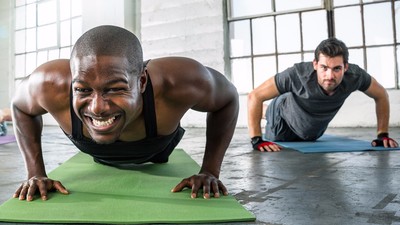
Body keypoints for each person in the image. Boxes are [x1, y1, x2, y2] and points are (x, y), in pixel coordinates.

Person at [11, 25, 239, 201]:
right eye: (83, 90)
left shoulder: (179, 81)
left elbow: (228, 99)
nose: (97, 107)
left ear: (141, 81)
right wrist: (35, 173)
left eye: (116, 88)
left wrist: (210, 170)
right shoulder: (48, 84)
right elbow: (20, 107)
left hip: (157, 152)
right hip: (97, 153)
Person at [247, 37, 398, 152]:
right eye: (324, 67)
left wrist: (382, 134)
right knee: (271, 111)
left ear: (346, 67)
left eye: (337, 69)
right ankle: (266, 111)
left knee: (308, 132)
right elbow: (254, 96)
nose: (330, 75)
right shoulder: (297, 74)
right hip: (282, 121)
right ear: (315, 64)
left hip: (312, 132)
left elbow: (381, 95)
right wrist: (256, 140)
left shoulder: (355, 76)